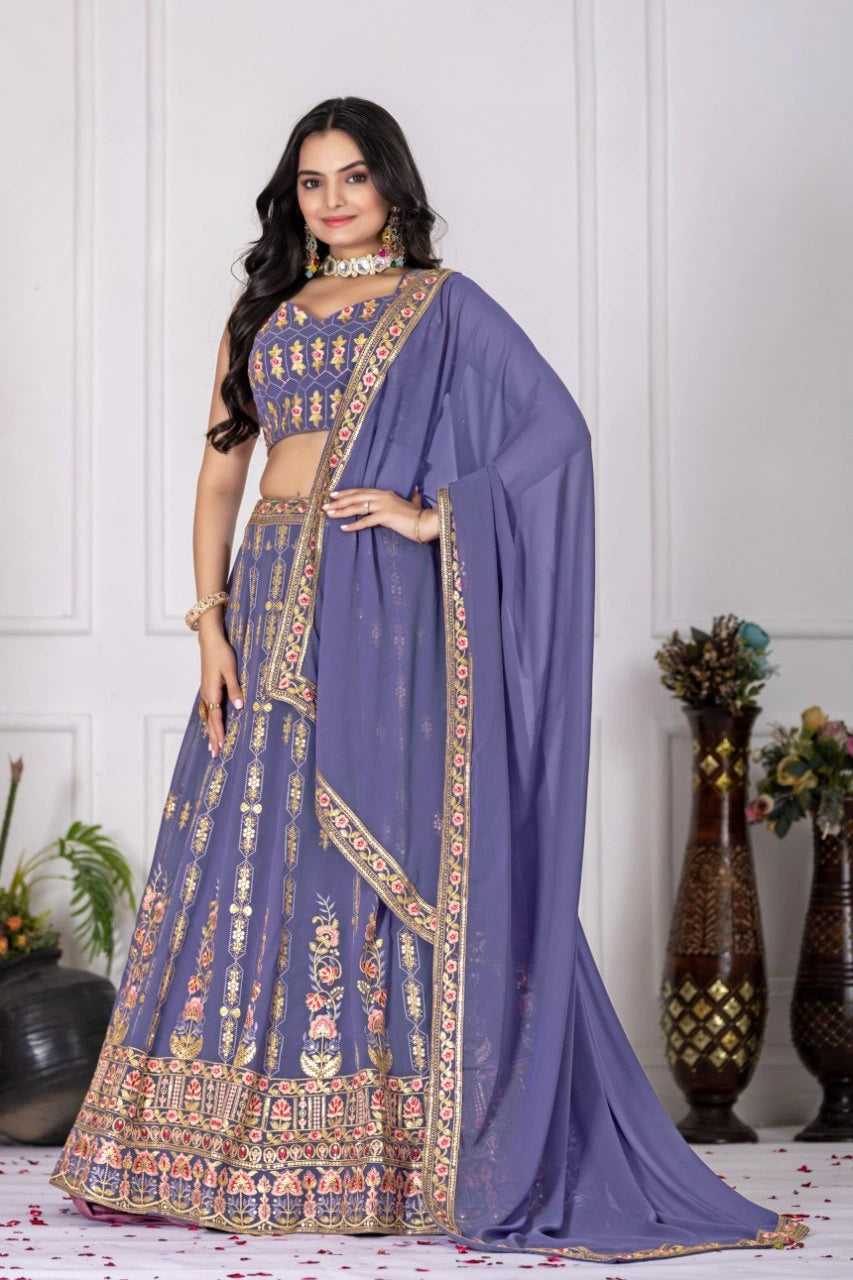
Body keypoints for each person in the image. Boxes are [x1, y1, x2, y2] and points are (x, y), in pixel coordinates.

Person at [48, 96, 809, 1262]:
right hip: (264, 593)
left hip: (378, 610)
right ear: (290, 199)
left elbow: (554, 432)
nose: (335, 198)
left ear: (393, 184)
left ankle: (397, 1146)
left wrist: (430, 512)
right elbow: (218, 481)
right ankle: (224, 1143)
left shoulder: (442, 308)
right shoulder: (264, 311)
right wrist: (206, 622)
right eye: (312, 181)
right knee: (258, 854)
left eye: (354, 175)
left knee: (378, 852)